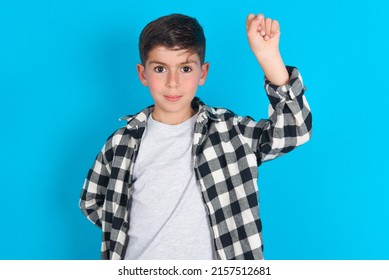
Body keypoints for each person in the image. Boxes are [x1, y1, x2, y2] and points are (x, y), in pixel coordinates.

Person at [79, 13, 312, 260]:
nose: (173, 82)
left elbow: (294, 130)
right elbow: (92, 200)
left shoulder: (231, 133)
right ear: (143, 73)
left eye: (186, 68)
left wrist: (269, 59)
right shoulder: (121, 143)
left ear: (203, 73)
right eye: (160, 68)